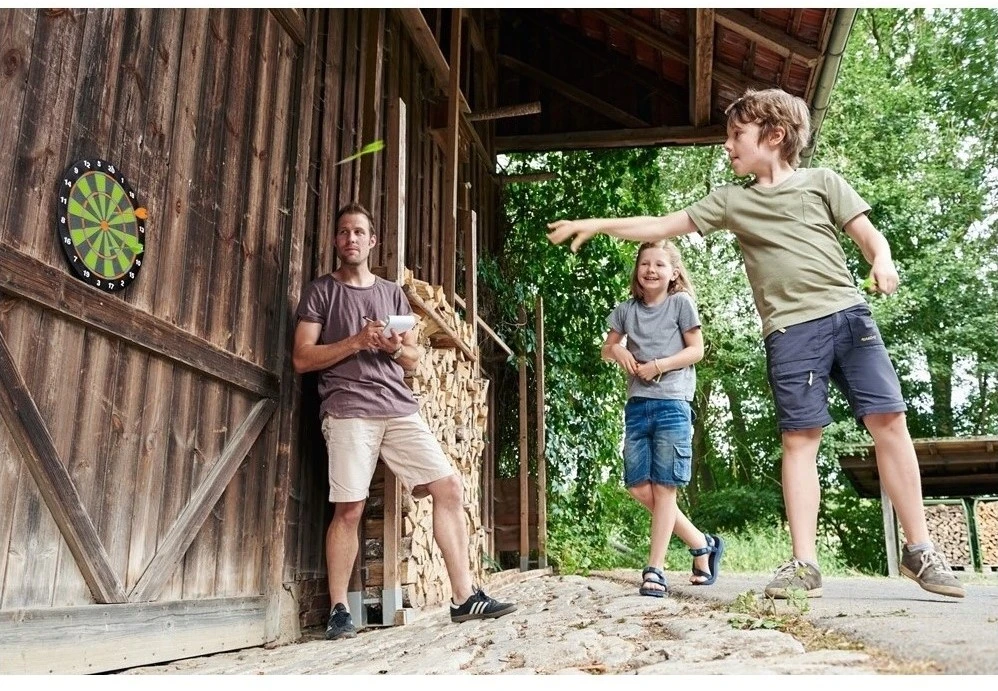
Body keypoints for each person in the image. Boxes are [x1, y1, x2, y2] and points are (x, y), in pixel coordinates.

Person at [547, 88, 964, 600]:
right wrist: (599, 225)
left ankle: (919, 550)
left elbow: (868, 235)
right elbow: (661, 225)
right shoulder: (732, 200)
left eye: (736, 135)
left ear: (774, 135)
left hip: (849, 317)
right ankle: (804, 564)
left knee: (890, 422)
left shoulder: (823, 182)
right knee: (800, 440)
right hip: (791, 332)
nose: (727, 146)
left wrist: (882, 259)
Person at [293, 202, 517, 640]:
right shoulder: (320, 292)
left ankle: (464, 597)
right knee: (350, 508)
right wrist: (356, 341)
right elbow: (302, 358)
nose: (351, 238)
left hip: (398, 407)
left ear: (372, 241)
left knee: (449, 486)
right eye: (344, 232)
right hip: (347, 407)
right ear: (336, 241)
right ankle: (339, 611)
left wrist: (393, 347)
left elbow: (413, 358)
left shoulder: (392, 293)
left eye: (359, 232)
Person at [604, 240, 724, 597]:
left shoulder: (681, 303)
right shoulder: (626, 310)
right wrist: (618, 351)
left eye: (659, 264)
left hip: (672, 403)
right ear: (637, 270)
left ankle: (655, 569)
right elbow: (607, 347)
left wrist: (659, 365)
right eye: (645, 264)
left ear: (673, 273)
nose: (651, 270)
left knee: (664, 485)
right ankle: (701, 542)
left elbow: (696, 350)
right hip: (637, 405)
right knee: (638, 487)